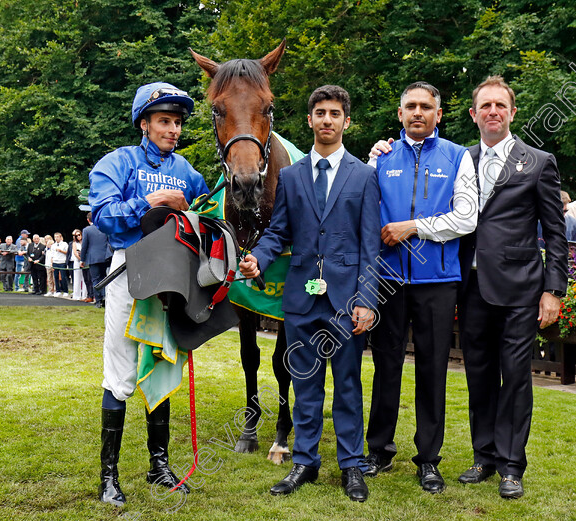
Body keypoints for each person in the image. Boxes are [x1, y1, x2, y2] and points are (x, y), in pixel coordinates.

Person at [239, 85, 380, 502]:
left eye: (335, 113)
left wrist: (368, 300)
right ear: (309, 120)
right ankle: (305, 461)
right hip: (301, 300)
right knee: (305, 386)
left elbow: (371, 245)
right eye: (319, 112)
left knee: (349, 386)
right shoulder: (292, 176)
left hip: (346, 303)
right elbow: (278, 230)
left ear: (346, 121)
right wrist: (259, 260)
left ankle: (352, 466)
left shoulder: (364, 177)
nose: (327, 120)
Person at [89, 81, 209, 506]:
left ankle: (159, 466)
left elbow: (209, 210)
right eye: (164, 121)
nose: (172, 129)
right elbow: (103, 217)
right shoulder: (117, 162)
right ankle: (109, 476)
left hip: (173, 281)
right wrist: (150, 201)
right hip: (129, 275)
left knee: (161, 366)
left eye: (177, 122)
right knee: (120, 372)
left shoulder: (187, 169)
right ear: (144, 123)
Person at [456, 76, 568, 499]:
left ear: (512, 112)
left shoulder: (538, 162)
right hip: (471, 287)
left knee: (516, 377)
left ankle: (510, 465)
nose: (492, 112)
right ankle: (483, 456)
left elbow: (555, 233)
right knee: (478, 375)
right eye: (485, 106)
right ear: (473, 114)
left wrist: (553, 289)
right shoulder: (460, 160)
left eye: (500, 105)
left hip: (522, 289)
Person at [362, 81, 476, 494]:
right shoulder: (381, 158)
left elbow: (467, 218)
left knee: (432, 371)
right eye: (410, 106)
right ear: (399, 114)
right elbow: (362, 212)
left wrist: (414, 227)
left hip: (438, 283)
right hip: (389, 281)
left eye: (426, 107)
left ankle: (428, 459)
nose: (418, 113)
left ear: (439, 115)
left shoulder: (458, 157)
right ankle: (378, 451)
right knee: (385, 368)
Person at [82, 212, 112, 308]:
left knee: (95, 279)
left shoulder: (87, 230)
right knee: (104, 278)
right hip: (104, 257)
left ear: (88, 220)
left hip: (93, 258)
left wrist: (82, 259)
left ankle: (98, 300)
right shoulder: (105, 229)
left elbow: (84, 245)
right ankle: (104, 297)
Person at [70, 229, 88, 302]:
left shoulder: (84, 242)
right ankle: (77, 295)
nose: (78, 237)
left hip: (84, 261)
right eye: (76, 236)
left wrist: (83, 260)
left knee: (85, 279)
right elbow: (75, 252)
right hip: (77, 261)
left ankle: (84, 295)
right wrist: (80, 259)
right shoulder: (74, 243)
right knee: (77, 278)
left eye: (79, 235)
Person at [51, 232, 69, 297]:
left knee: (63, 277)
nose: (56, 238)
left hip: (62, 262)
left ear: (61, 237)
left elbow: (67, 252)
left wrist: (61, 251)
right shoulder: (53, 245)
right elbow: (52, 255)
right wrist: (52, 264)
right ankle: (58, 290)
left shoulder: (64, 244)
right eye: (55, 237)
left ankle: (65, 291)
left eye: (57, 237)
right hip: (55, 262)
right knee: (55, 277)